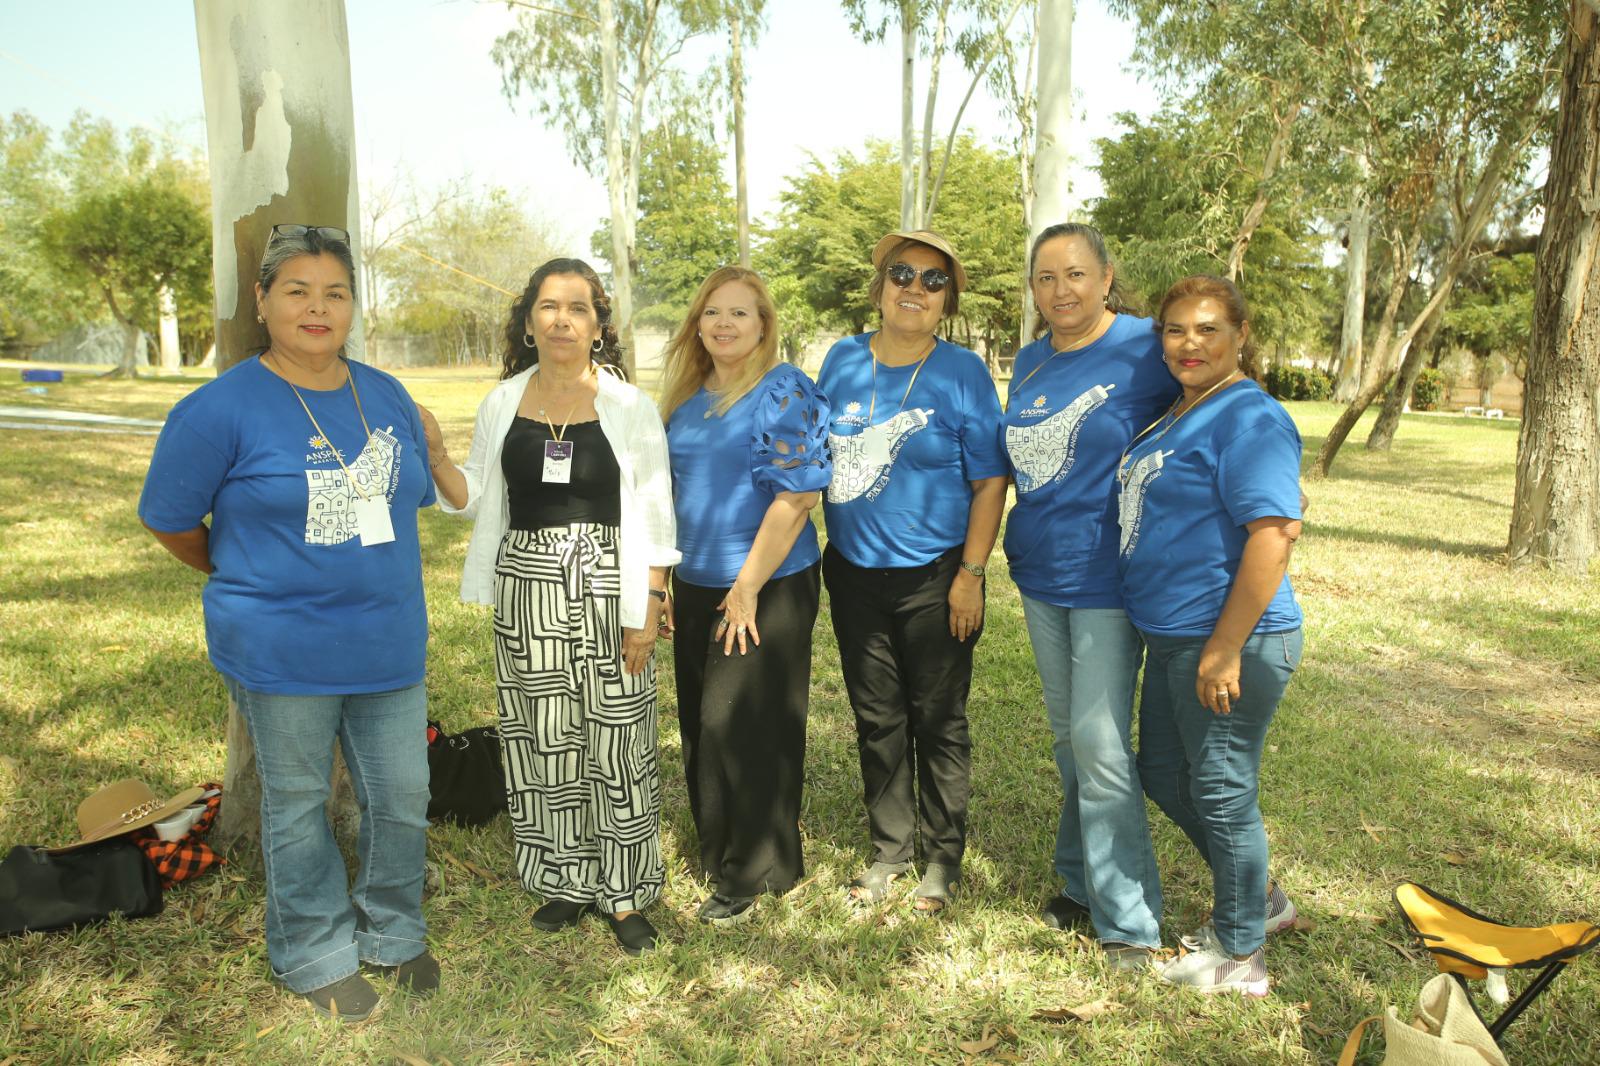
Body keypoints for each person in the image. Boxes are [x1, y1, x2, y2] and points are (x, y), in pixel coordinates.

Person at [139, 223, 437, 1022]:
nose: (317, 307)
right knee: (299, 803)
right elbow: (169, 519)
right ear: (263, 300)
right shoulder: (217, 410)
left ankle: (393, 929)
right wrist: (240, 572)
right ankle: (314, 950)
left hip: (389, 642)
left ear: (353, 306)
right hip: (281, 649)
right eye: (297, 291)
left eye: (335, 293)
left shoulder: (386, 394)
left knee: (401, 797)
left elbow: (410, 497)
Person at [420, 258, 678, 957]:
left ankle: (624, 891)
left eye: (578, 307)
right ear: (529, 322)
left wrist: (650, 602)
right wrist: (438, 453)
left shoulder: (628, 405)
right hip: (526, 588)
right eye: (548, 306)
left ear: (598, 326)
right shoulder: (503, 401)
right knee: (542, 734)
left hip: (609, 583)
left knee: (618, 736)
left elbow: (656, 507)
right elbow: (473, 496)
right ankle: (566, 878)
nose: (563, 319)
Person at [1118, 274, 1305, 995]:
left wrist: (1224, 649)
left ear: (1240, 334)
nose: (1188, 343)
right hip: (1175, 637)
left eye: (1207, 329)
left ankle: (1239, 952)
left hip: (1228, 641)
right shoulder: (1183, 408)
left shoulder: (1249, 416)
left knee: (1222, 790)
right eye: (1175, 329)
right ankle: (1262, 900)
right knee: (1165, 773)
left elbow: (1273, 536)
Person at [1000, 222, 1178, 970]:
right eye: (1046, 277)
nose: (1061, 290)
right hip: (1040, 572)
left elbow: (1218, 398)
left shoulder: (1145, 346)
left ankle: (1129, 922)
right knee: (1070, 741)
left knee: (1101, 747)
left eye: (1075, 274)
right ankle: (1079, 881)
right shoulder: (1032, 358)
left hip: (1109, 576)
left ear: (1107, 278)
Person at [815, 229, 1008, 914]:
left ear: (947, 300)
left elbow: (990, 481)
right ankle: (891, 849)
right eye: (902, 273)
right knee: (877, 718)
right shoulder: (841, 360)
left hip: (937, 576)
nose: (914, 289)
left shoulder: (963, 372)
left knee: (939, 718)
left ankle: (942, 857)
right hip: (853, 573)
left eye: (933, 280)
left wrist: (971, 574)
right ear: (880, 286)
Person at [658, 266, 832, 926]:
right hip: (697, 581)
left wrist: (747, 587)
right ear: (697, 324)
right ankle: (735, 853)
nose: (723, 324)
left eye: (739, 312)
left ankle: (749, 872)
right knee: (702, 725)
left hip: (767, 581)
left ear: (764, 325)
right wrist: (663, 584)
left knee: (739, 724)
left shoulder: (782, 389)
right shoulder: (686, 396)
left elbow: (799, 496)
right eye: (712, 312)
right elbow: (671, 496)